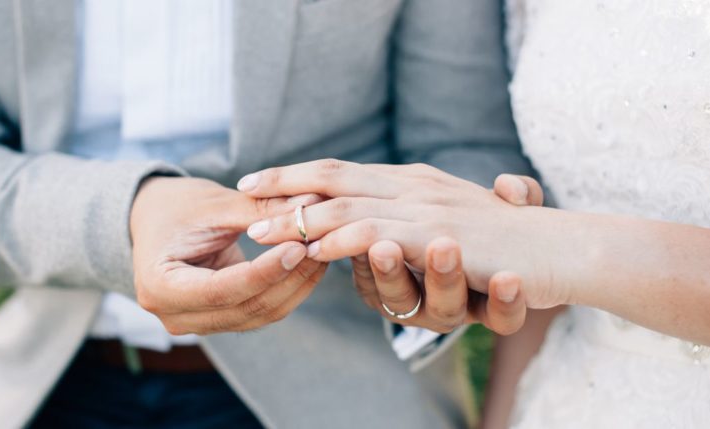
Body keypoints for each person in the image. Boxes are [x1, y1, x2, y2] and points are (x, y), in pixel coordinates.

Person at [0, 0, 537, 428]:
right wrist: (126, 217)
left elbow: (463, 144)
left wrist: (425, 258)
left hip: (342, 392)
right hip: (43, 385)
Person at [238, 1, 710, 427]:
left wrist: (547, 242)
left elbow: (542, 249)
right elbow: (543, 283)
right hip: (568, 397)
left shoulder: (545, 244)